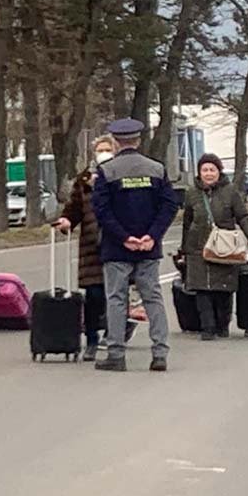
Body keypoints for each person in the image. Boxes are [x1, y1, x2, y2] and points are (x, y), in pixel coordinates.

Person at [91, 117, 179, 372]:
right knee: (153, 298)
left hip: (117, 248)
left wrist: (124, 237)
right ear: (138, 141)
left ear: (116, 143)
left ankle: (116, 355)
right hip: (148, 248)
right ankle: (160, 353)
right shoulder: (157, 169)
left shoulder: (107, 172)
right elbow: (169, 205)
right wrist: (152, 235)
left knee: (117, 299)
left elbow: (101, 210)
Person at [179, 154, 248, 340]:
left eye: (212, 170)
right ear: (199, 172)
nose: (208, 174)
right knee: (201, 289)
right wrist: (184, 249)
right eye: (204, 170)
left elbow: (243, 216)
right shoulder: (192, 192)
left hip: (225, 247)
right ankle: (207, 327)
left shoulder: (230, 191)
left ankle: (222, 325)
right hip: (197, 247)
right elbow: (187, 222)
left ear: (219, 172)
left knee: (223, 289)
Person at [55, 136, 115, 361]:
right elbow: (73, 209)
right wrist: (66, 221)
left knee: (116, 295)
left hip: (117, 243)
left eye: (108, 149)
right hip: (91, 247)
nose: (104, 153)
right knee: (94, 295)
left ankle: (114, 335)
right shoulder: (84, 180)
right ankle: (91, 339)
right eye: (100, 149)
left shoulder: (121, 176)